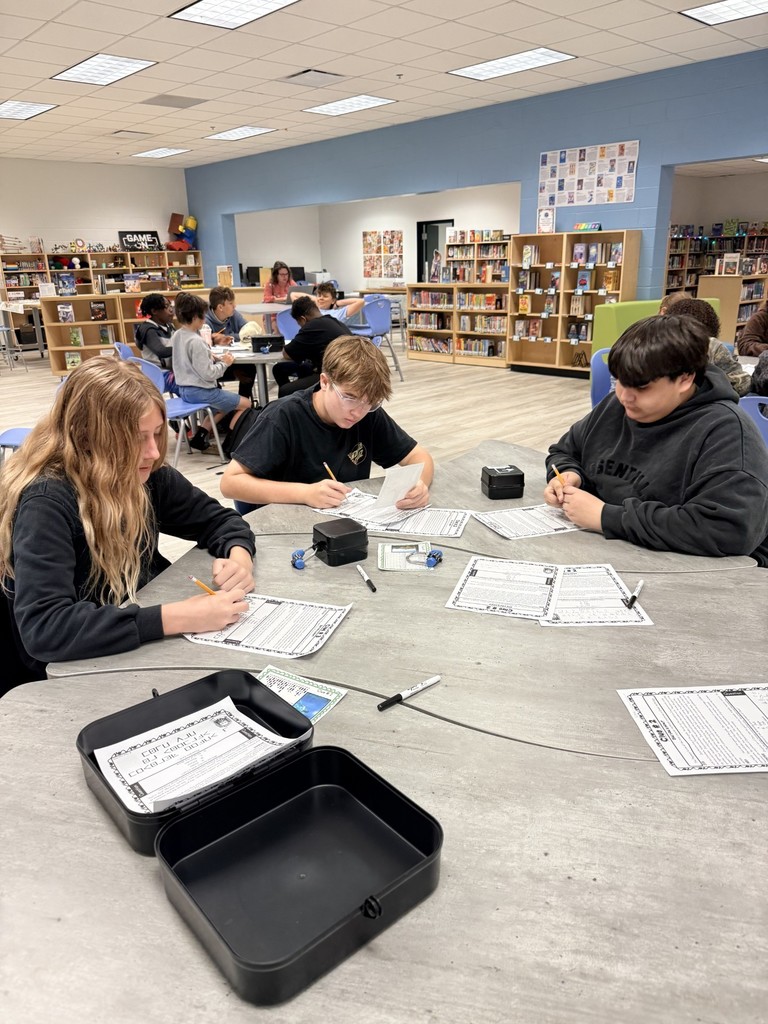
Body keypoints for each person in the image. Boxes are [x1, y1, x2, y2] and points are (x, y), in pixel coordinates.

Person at [0, 359, 255, 684]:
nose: (152, 452)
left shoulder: (148, 476)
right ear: (89, 437)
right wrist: (178, 616)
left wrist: (238, 557)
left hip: (136, 632)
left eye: (158, 434)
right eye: (136, 438)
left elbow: (219, 521)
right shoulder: (47, 502)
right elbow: (45, 629)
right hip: (79, 671)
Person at [543, 314, 768, 565]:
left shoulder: (726, 432)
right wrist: (567, 473)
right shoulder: (618, 404)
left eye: (641, 388)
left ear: (685, 378)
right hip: (610, 553)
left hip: (696, 573)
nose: (624, 396)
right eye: (619, 382)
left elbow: (728, 531)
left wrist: (606, 517)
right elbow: (565, 451)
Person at [221, 333, 433, 510]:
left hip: (339, 521)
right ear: (325, 382)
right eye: (349, 397)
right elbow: (230, 483)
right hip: (282, 525)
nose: (358, 412)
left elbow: (418, 456)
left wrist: (419, 485)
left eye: (370, 402)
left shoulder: (368, 414)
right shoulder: (283, 417)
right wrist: (305, 493)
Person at [171, 291, 250, 450]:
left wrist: (209, 356)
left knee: (224, 404)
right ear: (195, 317)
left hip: (185, 388)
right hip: (200, 390)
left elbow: (188, 360)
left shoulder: (178, 334)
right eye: (203, 315)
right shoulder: (197, 341)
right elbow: (209, 374)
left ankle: (201, 435)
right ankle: (230, 444)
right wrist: (225, 363)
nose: (205, 319)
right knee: (246, 404)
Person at [659, 295, 751, 396]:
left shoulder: (656, 342)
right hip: (705, 402)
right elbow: (742, 385)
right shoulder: (712, 346)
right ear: (712, 324)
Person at [273, 295, 352, 397]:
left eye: (299, 324)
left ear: (303, 319)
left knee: (285, 390)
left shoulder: (311, 327)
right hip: (347, 370)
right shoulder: (333, 321)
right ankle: (300, 402)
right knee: (280, 368)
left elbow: (287, 354)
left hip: (336, 376)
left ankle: (290, 404)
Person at [205, 285, 256, 402]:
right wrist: (213, 340)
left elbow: (248, 333)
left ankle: (243, 403)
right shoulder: (205, 320)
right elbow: (205, 343)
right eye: (231, 303)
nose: (235, 306)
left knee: (250, 369)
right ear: (220, 307)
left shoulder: (234, 315)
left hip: (235, 361)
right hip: (216, 366)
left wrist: (230, 337)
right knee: (209, 379)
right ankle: (221, 409)